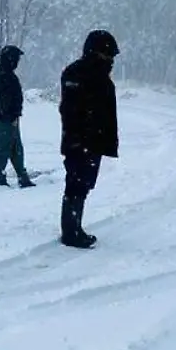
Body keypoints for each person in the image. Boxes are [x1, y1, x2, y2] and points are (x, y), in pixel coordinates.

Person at [57, 29, 120, 248]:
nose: (111, 60)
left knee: (80, 184)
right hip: (84, 141)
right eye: (108, 55)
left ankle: (73, 227)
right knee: (77, 184)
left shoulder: (90, 75)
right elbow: (72, 110)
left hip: (88, 141)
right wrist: (80, 138)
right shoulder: (85, 75)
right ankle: (71, 231)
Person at [0, 44, 35, 188]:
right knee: (4, 147)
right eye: (16, 58)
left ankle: (22, 177)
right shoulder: (3, 74)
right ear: (10, 59)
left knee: (15, 147)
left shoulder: (5, 73)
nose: (17, 62)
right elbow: (3, 99)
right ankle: (1, 177)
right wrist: (10, 116)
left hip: (10, 117)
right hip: (6, 118)